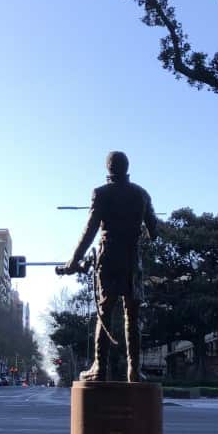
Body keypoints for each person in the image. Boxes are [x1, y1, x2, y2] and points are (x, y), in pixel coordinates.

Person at [62, 151, 158, 382]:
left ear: (108, 168)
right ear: (127, 167)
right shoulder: (141, 194)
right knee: (132, 317)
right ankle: (134, 371)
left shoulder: (101, 193)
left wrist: (74, 260)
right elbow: (154, 230)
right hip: (132, 259)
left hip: (110, 258)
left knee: (104, 313)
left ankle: (100, 369)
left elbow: (90, 230)